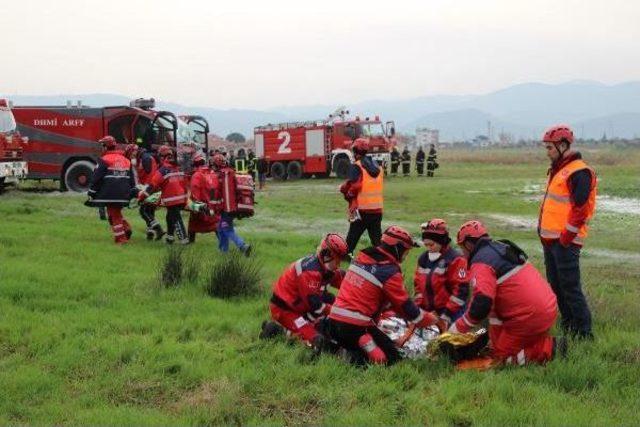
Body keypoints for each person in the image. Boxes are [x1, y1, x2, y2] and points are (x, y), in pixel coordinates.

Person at [449, 220, 561, 367]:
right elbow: (494, 307)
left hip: (530, 316)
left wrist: (456, 329)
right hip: (544, 308)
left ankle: (549, 349)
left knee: (500, 360)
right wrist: (494, 340)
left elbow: (481, 304)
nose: (462, 254)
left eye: (462, 248)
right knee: (496, 347)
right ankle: (531, 340)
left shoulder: (480, 263)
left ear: (468, 245)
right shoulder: (500, 248)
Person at [328, 226, 440, 365]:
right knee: (391, 360)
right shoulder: (389, 271)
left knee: (380, 345)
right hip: (355, 327)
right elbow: (405, 307)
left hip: (334, 322)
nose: (406, 256)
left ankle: (346, 350)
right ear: (397, 248)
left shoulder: (361, 257)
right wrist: (429, 319)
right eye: (406, 251)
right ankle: (356, 357)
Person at [539, 124, 597, 339]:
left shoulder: (579, 171)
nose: (547, 152)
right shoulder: (558, 168)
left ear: (563, 145)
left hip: (565, 242)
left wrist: (566, 238)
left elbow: (580, 210)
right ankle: (569, 326)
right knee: (557, 287)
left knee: (570, 289)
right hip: (551, 241)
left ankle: (584, 333)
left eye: (549, 148)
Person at [263, 234, 350, 346]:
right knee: (316, 338)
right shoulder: (310, 272)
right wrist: (339, 313)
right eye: (338, 260)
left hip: (300, 304)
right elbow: (315, 305)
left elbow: (344, 281)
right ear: (328, 255)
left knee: (331, 300)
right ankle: (275, 330)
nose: (339, 265)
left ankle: (300, 326)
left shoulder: (323, 265)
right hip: (285, 310)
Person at [414, 219, 469, 328]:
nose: (429, 248)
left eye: (432, 245)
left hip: (452, 313)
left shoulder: (456, 260)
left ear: (441, 242)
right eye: (426, 245)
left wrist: (446, 316)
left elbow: (460, 292)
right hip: (431, 312)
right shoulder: (423, 259)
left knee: (453, 342)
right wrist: (419, 309)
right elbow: (418, 287)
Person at [86, 136, 135, 244]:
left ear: (105, 147)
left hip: (110, 193)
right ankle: (126, 228)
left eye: (102, 146)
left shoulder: (105, 160)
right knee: (116, 212)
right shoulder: (126, 160)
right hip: (124, 193)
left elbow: (96, 178)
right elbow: (132, 179)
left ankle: (121, 239)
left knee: (114, 215)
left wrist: (91, 192)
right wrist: (133, 192)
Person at [340, 138, 383, 254]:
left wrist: (347, 192)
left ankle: (346, 258)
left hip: (362, 211)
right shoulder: (378, 166)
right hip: (377, 210)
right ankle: (384, 259)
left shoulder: (356, 166)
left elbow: (355, 186)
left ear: (355, 151)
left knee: (351, 241)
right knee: (377, 241)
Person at [139, 145, 189, 244]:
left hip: (172, 199)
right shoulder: (178, 167)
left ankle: (184, 240)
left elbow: (153, 185)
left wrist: (142, 196)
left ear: (162, 157)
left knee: (176, 219)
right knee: (170, 216)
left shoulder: (163, 170)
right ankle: (169, 238)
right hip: (182, 197)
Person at [211, 154, 252, 255]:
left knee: (226, 229)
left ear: (216, 164)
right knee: (221, 229)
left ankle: (242, 246)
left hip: (226, 209)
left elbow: (215, 193)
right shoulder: (231, 172)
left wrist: (212, 208)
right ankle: (223, 251)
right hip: (234, 207)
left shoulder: (219, 176)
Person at [124, 144, 164, 240]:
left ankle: (158, 229)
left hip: (150, 188)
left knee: (144, 211)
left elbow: (149, 172)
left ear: (134, 151)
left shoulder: (145, 158)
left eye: (131, 155)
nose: (131, 157)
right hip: (152, 187)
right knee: (149, 211)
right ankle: (150, 233)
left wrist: (144, 189)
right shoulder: (145, 157)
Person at [188, 153, 221, 243]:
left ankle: (190, 242)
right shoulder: (212, 173)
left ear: (195, 165)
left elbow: (195, 191)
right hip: (213, 205)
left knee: (193, 223)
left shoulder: (197, 175)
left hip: (201, 205)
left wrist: (194, 205)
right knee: (214, 223)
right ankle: (223, 243)